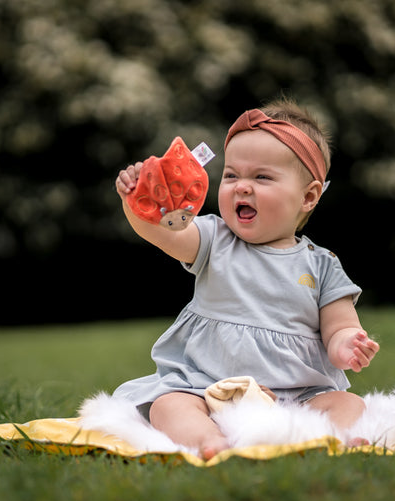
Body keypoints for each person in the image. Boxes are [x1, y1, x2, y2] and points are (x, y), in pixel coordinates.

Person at [112, 98, 379, 459]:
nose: (241, 186)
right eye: (232, 175)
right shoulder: (214, 239)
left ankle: (336, 438)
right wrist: (137, 200)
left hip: (295, 396)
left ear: (309, 196)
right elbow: (165, 234)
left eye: (262, 177)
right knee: (167, 405)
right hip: (207, 387)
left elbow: (340, 327)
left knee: (349, 404)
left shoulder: (322, 265)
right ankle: (209, 440)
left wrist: (347, 345)